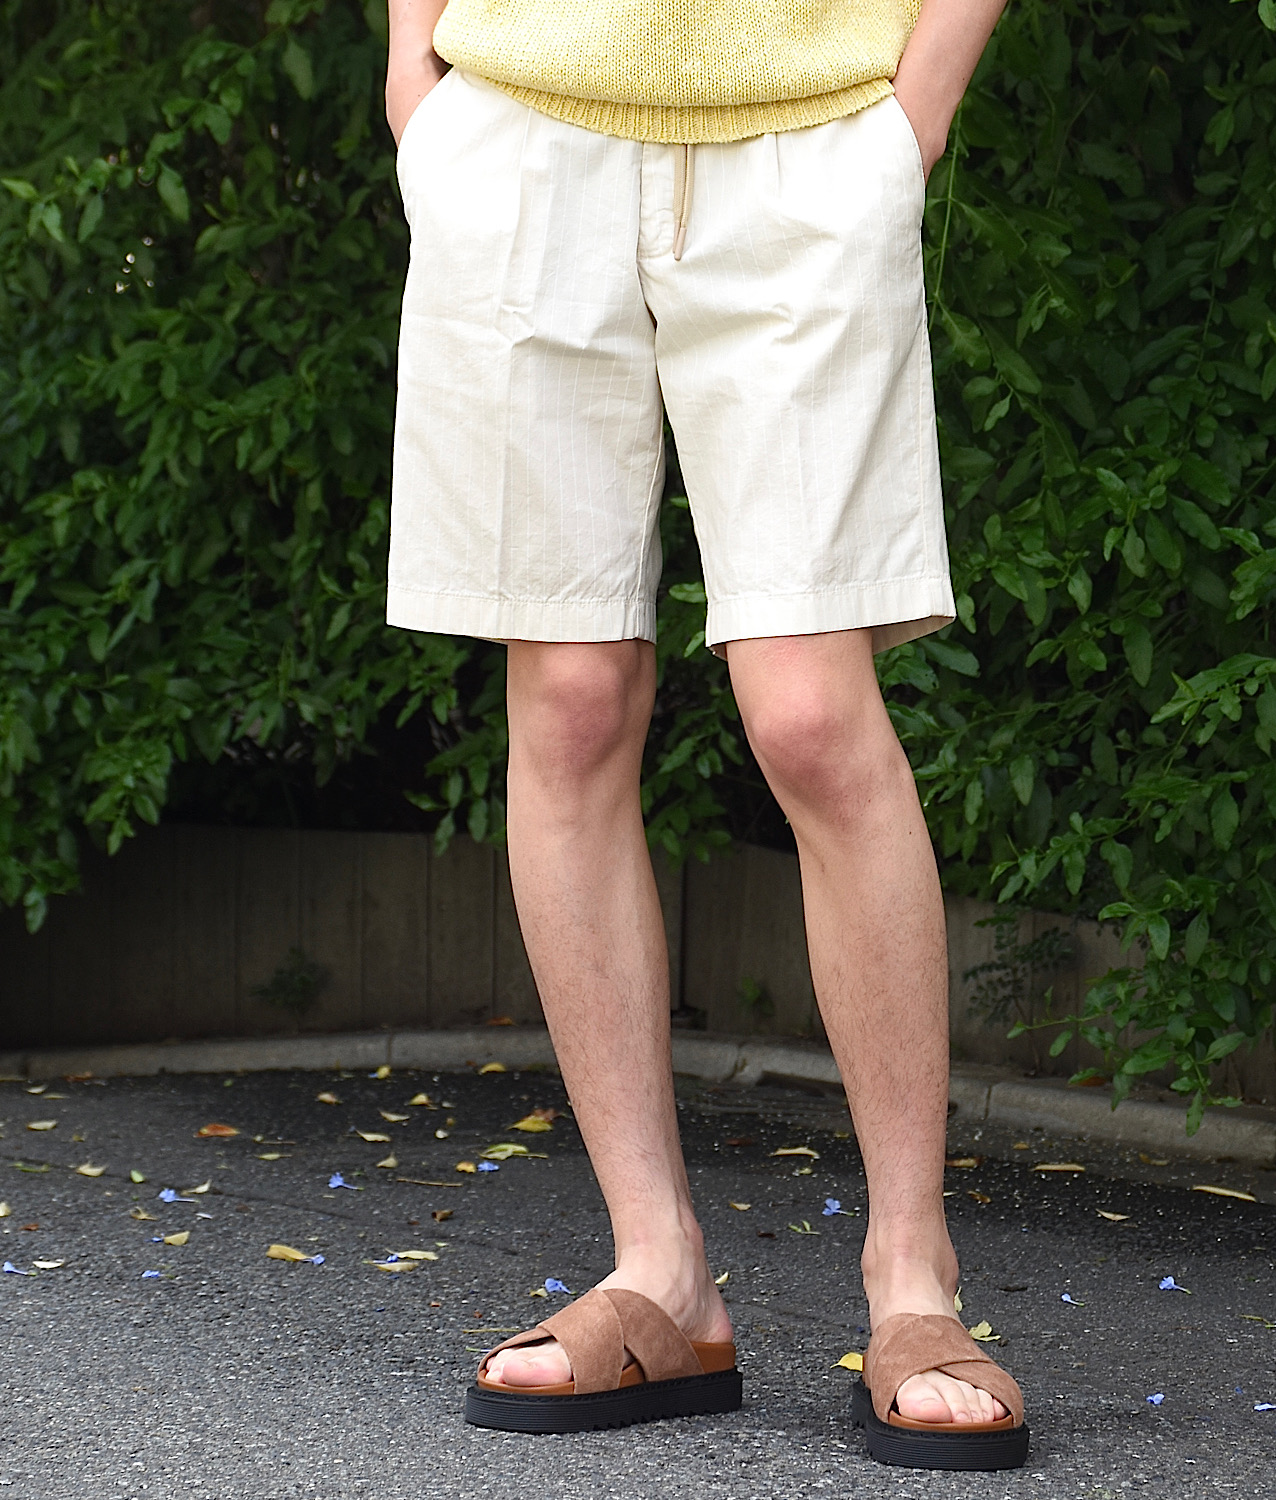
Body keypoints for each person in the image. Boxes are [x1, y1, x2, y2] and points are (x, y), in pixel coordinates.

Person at [383, 0, 1025, 1471]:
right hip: (520, 132)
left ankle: (913, 1277)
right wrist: (415, 72)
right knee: (570, 703)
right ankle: (659, 1268)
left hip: (809, 137)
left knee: (809, 714)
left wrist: (917, 106)